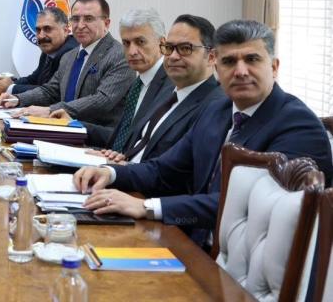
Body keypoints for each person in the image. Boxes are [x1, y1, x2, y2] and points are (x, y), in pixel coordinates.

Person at [74, 20, 332, 246]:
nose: (241, 71)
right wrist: (110, 173)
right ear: (216, 67)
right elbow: (164, 170)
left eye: (252, 60)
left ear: (274, 67)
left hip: (256, 268)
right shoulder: (216, 110)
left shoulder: (299, 126)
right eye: (229, 62)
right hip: (198, 243)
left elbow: (245, 205)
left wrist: (147, 207)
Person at [98, 14, 223, 163]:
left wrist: (119, 170)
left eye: (185, 48)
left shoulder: (216, 107)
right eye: (169, 48)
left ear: (211, 57)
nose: (173, 56)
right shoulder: (169, 94)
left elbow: (173, 170)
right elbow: (139, 146)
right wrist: (112, 160)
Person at [0, 0, 133, 130]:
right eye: (75, 19)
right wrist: (18, 99)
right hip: (63, 130)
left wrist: (49, 110)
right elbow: (51, 91)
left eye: (88, 19)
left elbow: (102, 100)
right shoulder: (70, 56)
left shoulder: (120, 55)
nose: (80, 25)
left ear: (106, 23)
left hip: (97, 137)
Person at [85, 8, 171, 148]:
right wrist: (75, 126)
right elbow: (123, 138)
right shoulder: (138, 84)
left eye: (140, 42)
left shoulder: (171, 86)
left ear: (162, 43)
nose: (132, 52)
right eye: (126, 43)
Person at [0, 7, 78, 95]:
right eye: (38, 30)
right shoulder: (49, 50)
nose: (41, 36)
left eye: (47, 29)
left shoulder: (70, 52)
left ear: (65, 31)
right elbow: (33, 79)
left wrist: (11, 88)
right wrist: (5, 83)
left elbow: (51, 91)